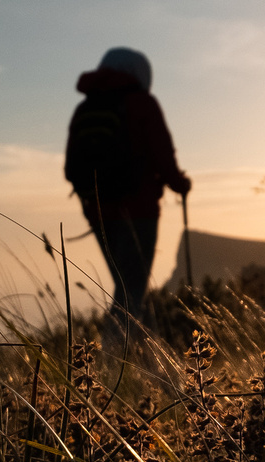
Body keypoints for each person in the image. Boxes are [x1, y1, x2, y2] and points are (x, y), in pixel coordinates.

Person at [64, 46, 191, 342]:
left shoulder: (85, 109)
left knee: (127, 285)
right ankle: (112, 358)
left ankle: (145, 359)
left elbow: (72, 167)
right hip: (139, 210)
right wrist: (180, 184)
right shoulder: (143, 104)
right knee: (132, 289)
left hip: (98, 213)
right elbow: (163, 156)